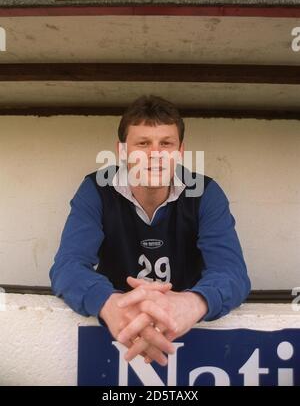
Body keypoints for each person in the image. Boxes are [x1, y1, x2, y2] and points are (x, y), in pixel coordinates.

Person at [49, 95, 251, 366]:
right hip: (117, 328)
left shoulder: (206, 193)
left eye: (165, 143)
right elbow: (67, 266)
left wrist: (191, 304)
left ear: (180, 151)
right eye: (142, 143)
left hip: (187, 330)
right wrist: (111, 305)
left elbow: (232, 272)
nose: (154, 155)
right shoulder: (96, 189)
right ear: (122, 151)